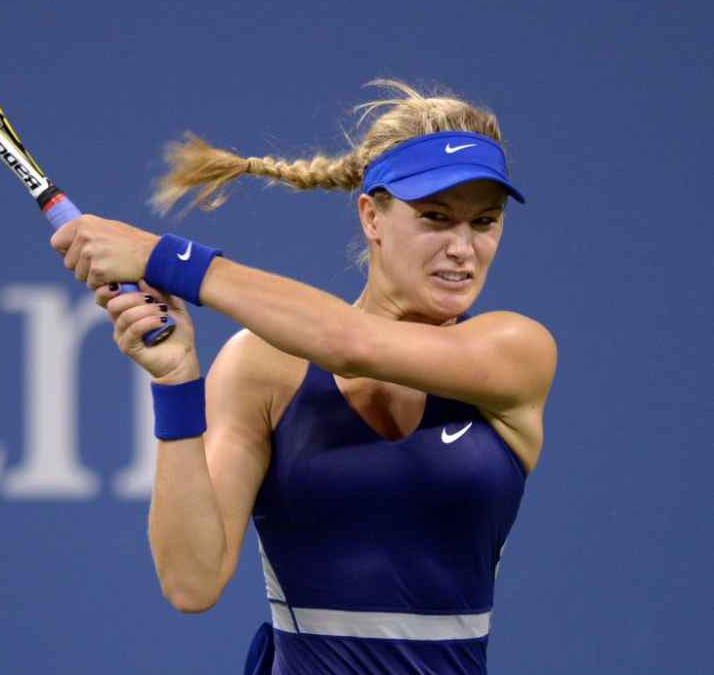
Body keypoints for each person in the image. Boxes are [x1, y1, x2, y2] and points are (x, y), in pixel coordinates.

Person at [49, 80, 556, 674]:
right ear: (372, 216)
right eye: (436, 218)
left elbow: (351, 344)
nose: (463, 249)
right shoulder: (261, 368)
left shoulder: (515, 352)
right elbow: (192, 581)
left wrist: (162, 257)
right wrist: (176, 379)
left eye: (484, 222)